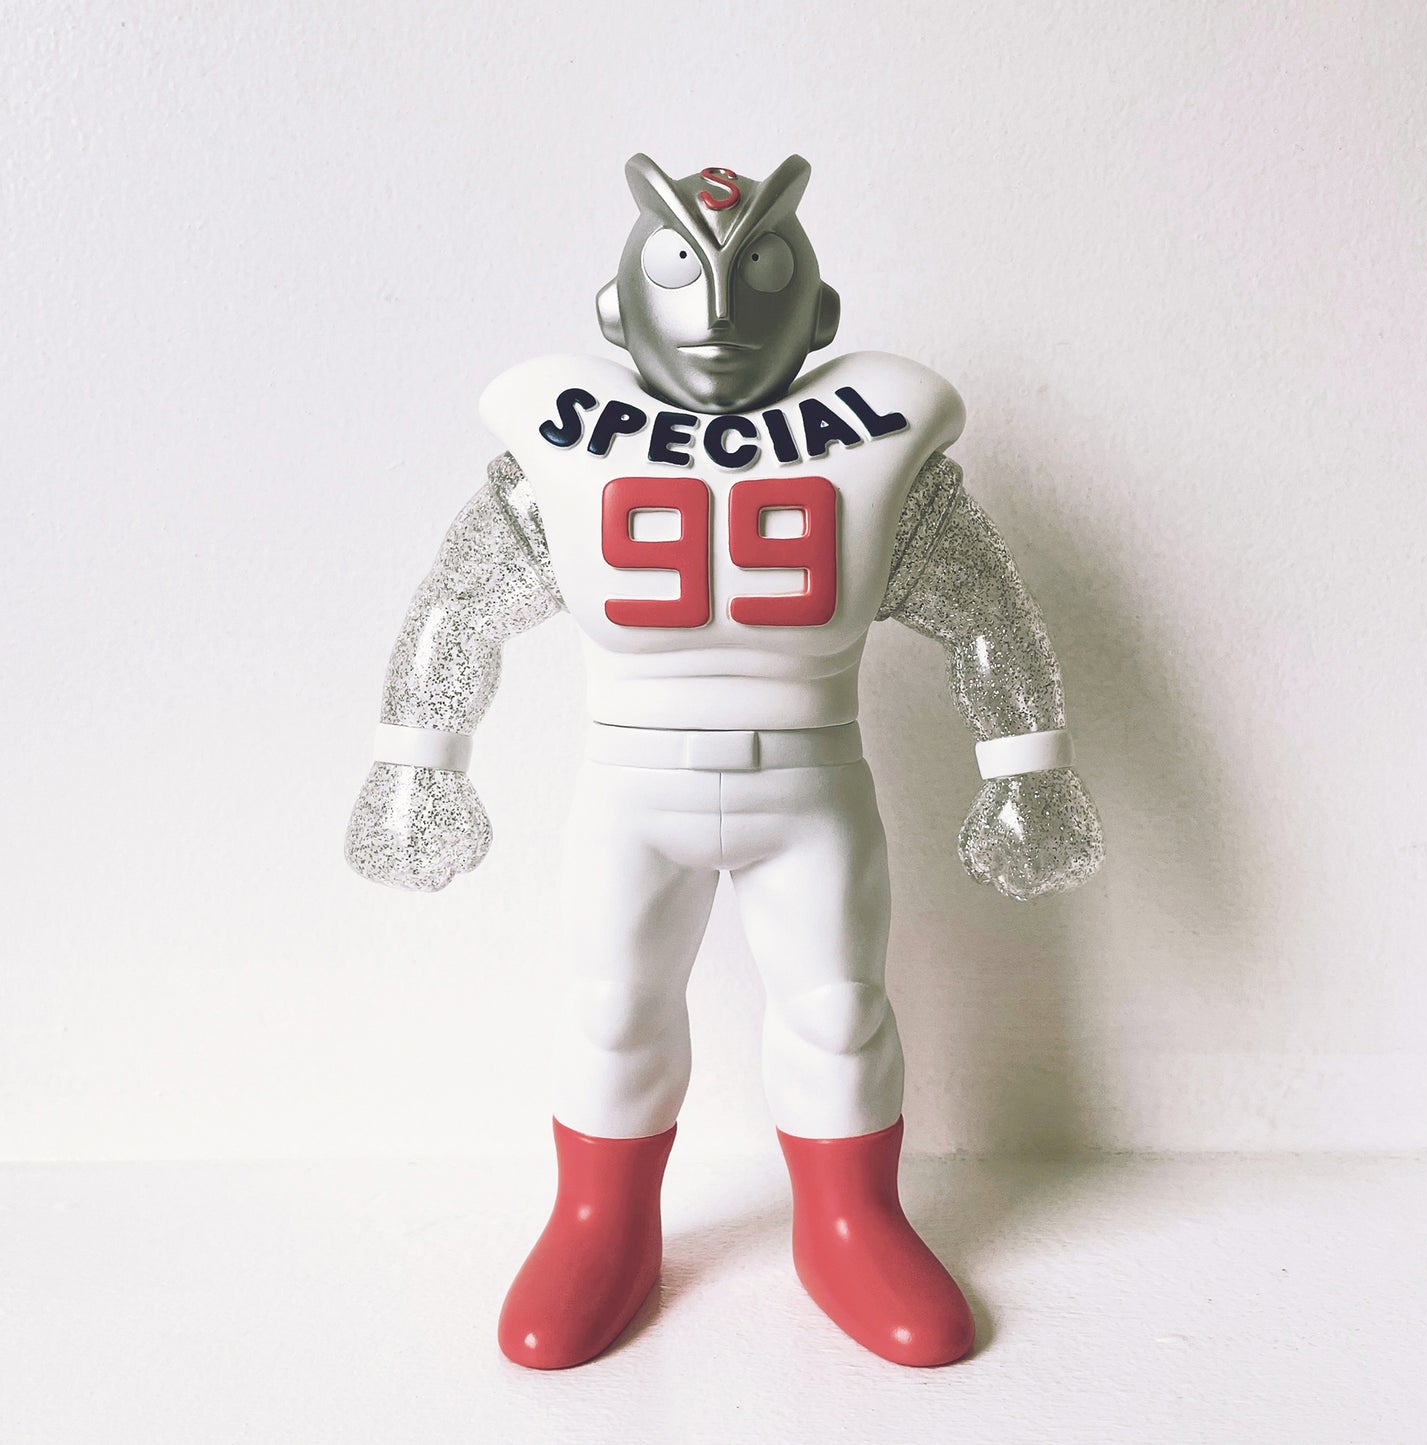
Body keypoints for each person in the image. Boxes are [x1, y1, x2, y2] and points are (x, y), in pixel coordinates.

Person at [345, 154, 1104, 1369]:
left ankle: (848, 1221)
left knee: (839, 1010)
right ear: (616, 311)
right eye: (679, 274)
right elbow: (461, 603)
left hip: (809, 778)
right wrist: (416, 755)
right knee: (610, 1006)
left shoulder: (881, 450)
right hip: (629, 783)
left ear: (816, 312)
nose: (714, 315)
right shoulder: (560, 448)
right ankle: (599, 1220)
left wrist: (1025, 763)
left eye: (754, 275)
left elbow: (981, 609)